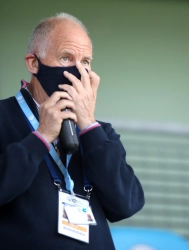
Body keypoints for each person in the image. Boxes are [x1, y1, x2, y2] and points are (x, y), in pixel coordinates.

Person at [0, 13, 144, 249]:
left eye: (85, 62)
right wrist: (41, 137)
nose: (78, 70)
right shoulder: (4, 116)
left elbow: (126, 204)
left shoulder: (100, 133)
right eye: (66, 57)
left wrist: (88, 124)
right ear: (34, 64)